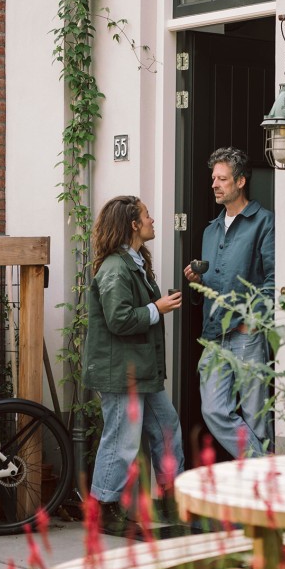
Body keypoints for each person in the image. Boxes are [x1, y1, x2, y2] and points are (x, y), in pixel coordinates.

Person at [83, 195, 184, 536]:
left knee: (166, 428)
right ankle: (104, 509)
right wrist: (158, 307)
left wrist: (157, 306)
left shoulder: (136, 261)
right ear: (133, 224)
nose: (153, 219)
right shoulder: (115, 267)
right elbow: (119, 320)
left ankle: (174, 498)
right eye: (147, 215)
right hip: (120, 373)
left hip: (140, 371)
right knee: (122, 440)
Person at [184, 147, 274, 459]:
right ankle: (262, 466)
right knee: (213, 410)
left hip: (247, 333)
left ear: (240, 182)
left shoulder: (264, 223)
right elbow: (209, 287)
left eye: (222, 178)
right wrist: (197, 283)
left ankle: (260, 492)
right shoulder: (210, 230)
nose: (214, 184)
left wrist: (255, 319)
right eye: (213, 178)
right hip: (214, 335)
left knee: (256, 416)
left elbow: (274, 278)